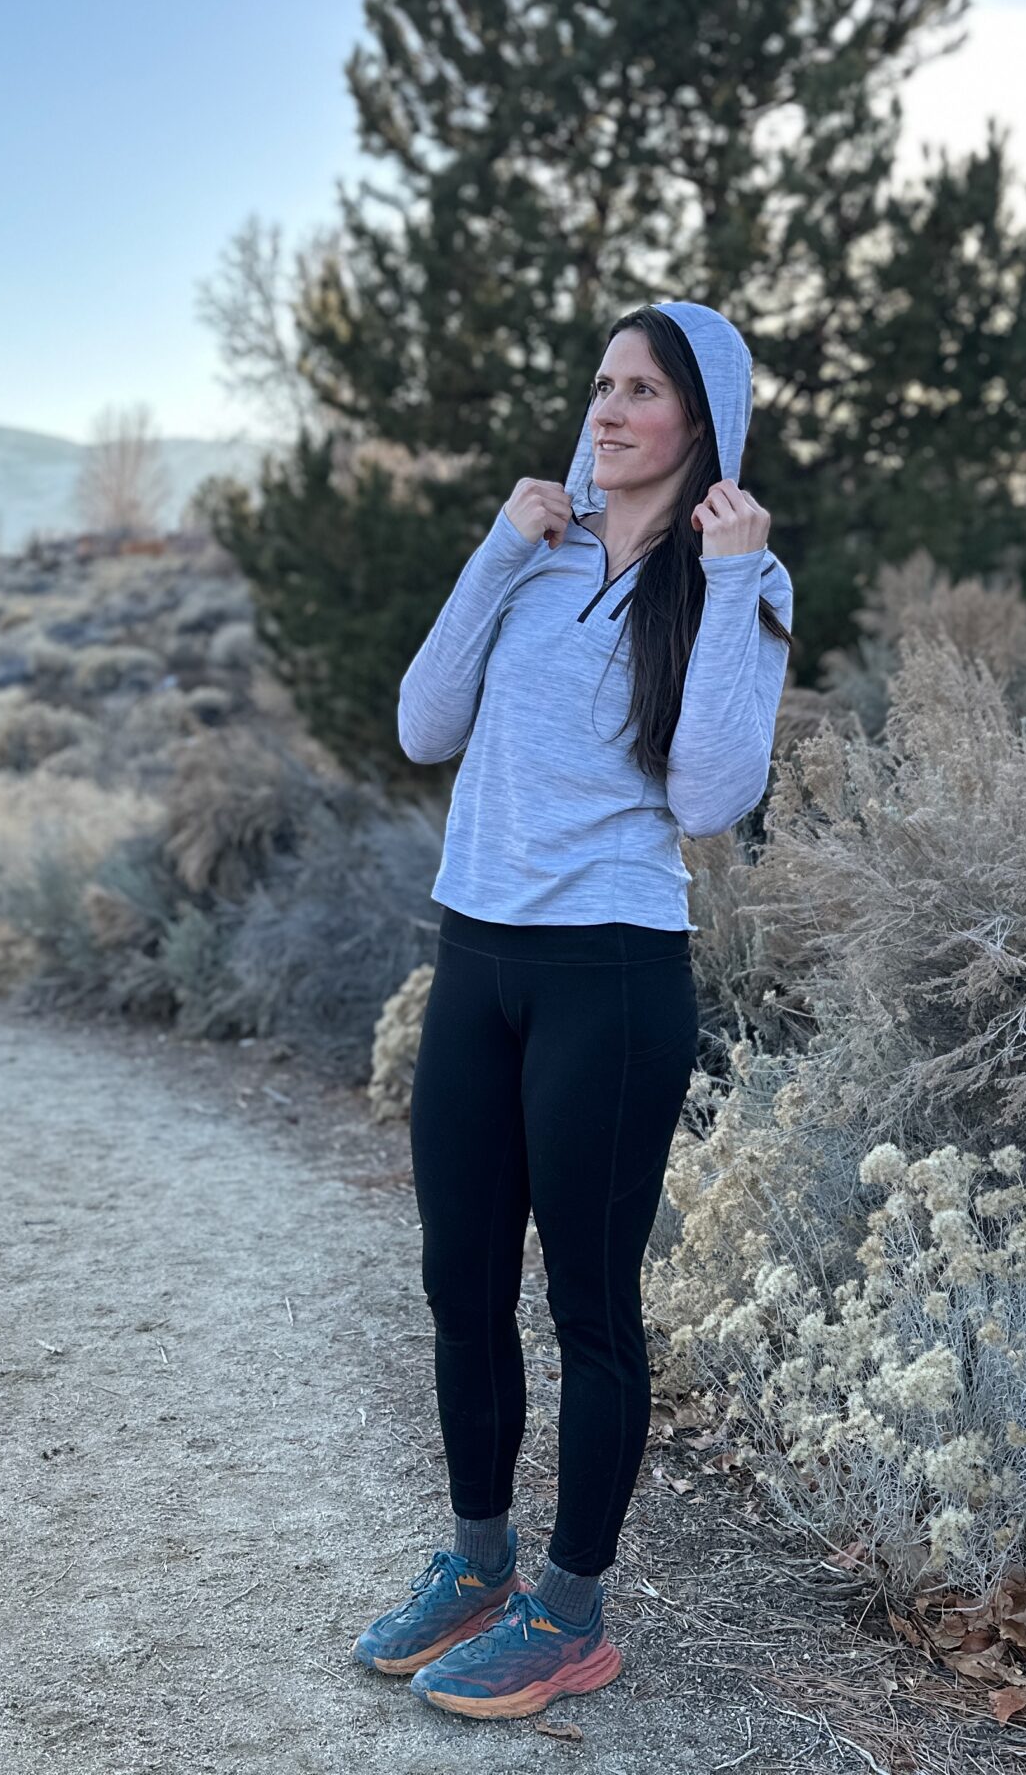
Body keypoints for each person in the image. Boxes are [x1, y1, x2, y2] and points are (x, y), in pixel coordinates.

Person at [350, 301, 796, 1720]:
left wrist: (730, 580)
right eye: (601, 385)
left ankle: (574, 1610)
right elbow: (424, 726)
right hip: (478, 957)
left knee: (590, 1308)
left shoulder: (739, 579)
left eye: (643, 392)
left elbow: (715, 799)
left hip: (610, 970)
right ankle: (479, 1566)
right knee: (459, 1284)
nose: (608, 412)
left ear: (699, 424)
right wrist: (496, 546)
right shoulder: (533, 561)